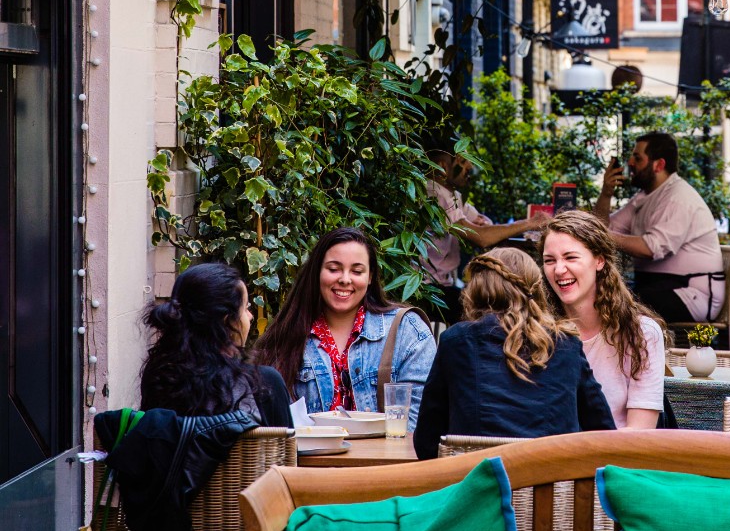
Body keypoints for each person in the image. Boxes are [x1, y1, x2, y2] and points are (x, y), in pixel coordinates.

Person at [413, 247, 615, 459]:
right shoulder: (566, 344)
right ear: (536, 290)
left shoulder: (456, 342)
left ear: (477, 289)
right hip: (553, 487)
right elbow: (603, 431)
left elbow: (426, 442)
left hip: (479, 486)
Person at [254, 227, 434, 430]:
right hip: (307, 461)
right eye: (333, 269)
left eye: (357, 271)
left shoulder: (407, 331)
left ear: (370, 277)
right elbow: (270, 424)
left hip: (387, 461)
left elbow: (420, 422)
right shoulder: (286, 335)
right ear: (317, 272)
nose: (345, 279)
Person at [540, 211, 667, 429]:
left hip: (617, 459)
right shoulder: (538, 331)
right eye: (549, 261)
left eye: (570, 257)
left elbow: (640, 434)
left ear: (599, 260)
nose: (559, 270)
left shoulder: (641, 333)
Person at [593, 132, 725, 323]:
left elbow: (650, 248)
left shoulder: (678, 197)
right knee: (604, 295)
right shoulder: (646, 196)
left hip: (691, 294)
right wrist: (606, 193)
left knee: (620, 303)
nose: (630, 162)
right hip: (657, 288)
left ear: (659, 165)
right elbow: (604, 226)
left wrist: (600, 236)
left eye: (637, 158)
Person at [140, 262, 293, 427]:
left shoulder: (160, 378)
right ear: (228, 323)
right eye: (246, 308)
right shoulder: (264, 383)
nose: (250, 316)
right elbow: (287, 450)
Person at [419, 148, 551, 324]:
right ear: (443, 167)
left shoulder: (453, 196)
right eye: (465, 169)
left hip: (443, 285)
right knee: (489, 310)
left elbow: (484, 226)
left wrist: (483, 225)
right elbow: (482, 237)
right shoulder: (434, 193)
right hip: (427, 288)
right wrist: (530, 223)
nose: (469, 175)